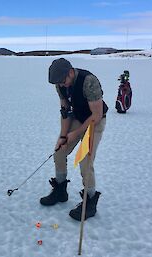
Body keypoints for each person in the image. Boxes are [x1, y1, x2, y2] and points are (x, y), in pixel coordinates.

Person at [40, 58, 108, 221]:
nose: (62, 85)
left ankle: (90, 201)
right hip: (77, 118)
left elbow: (96, 115)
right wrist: (63, 136)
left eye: (63, 81)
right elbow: (65, 110)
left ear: (70, 72)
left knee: (85, 160)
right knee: (59, 152)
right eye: (59, 83)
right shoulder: (60, 83)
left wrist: (76, 133)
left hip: (94, 121)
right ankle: (60, 191)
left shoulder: (88, 82)